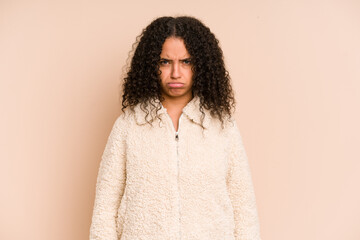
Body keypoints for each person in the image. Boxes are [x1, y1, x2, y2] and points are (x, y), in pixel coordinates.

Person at [89, 16, 261, 240]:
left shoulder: (222, 126)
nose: (176, 73)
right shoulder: (129, 125)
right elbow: (105, 207)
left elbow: (243, 207)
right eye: (165, 62)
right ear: (151, 65)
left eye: (186, 62)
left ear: (202, 65)